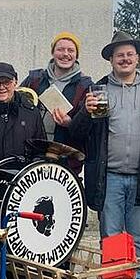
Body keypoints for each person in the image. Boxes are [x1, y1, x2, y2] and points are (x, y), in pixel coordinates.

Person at [71, 30, 140, 279]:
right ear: (111, 60)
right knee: (112, 238)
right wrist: (85, 111)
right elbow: (77, 133)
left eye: (129, 54)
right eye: (119, 55)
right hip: (109, 178)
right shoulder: (98, 89)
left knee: (138, 238)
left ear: (137, 57)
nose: (125, 59)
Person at [20, 31, 92, 173]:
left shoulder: (86, 86)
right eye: (60, 49)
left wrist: (70, 123)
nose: (65, 54)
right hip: (32, 156)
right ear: (53, 52)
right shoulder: (34, 79)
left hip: (67, 161)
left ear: (76, 55)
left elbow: (88, 130)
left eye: (71, 50)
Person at [0, 62, 45, 168]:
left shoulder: (31, 112)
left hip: (24, 179)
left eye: (7, 82)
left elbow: (41, 150)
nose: (1, 87)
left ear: (15, 82)